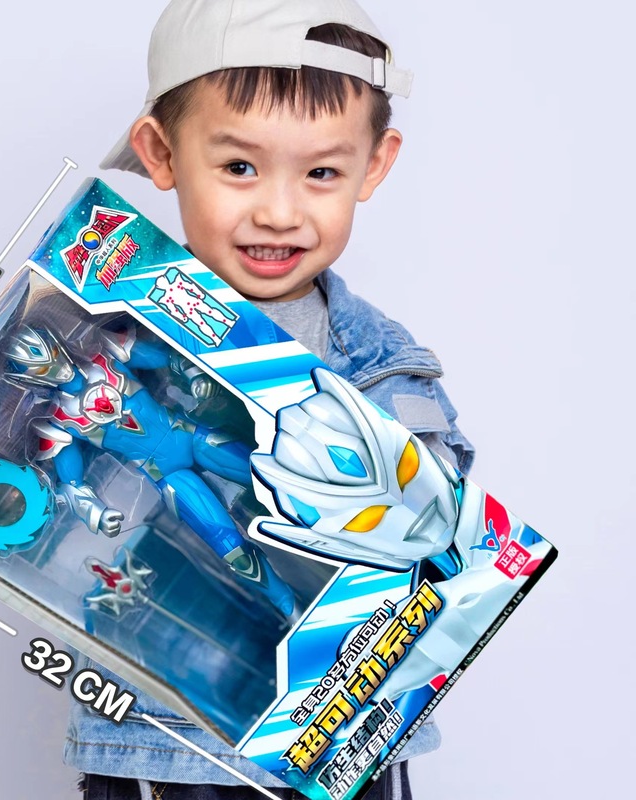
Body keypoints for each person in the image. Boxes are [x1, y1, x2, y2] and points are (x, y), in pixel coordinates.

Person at [67, 1, 475, 798]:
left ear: (374, 165)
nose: (279, 213)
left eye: (321, 172)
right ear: (161, 152)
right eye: (239, 168)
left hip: (334, 737)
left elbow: (437, 540)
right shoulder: (100, 325)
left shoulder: (381, 363)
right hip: (159, 734)